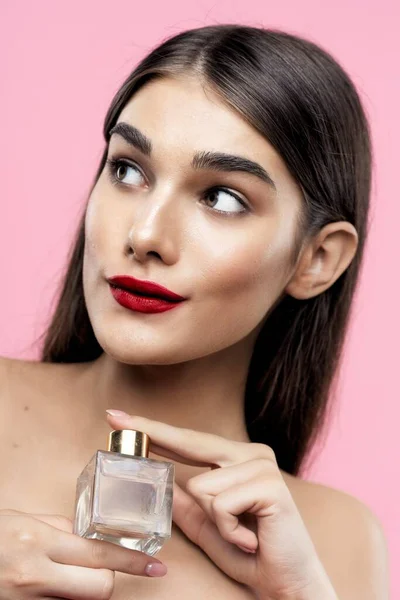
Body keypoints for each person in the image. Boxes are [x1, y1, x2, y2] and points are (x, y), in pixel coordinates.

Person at [0, 23, 389, 600]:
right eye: (128, 170)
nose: (146, 234)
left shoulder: (339, 542)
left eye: (222, 198)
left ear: (317, 259)